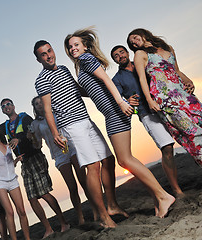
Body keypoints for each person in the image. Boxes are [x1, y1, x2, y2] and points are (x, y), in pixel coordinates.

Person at [64, 27, 175, 218]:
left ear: (85, 46)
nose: (73, 48)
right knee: (127, 159)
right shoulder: (83, 64)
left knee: (125, 159)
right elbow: (92, 90)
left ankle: (163, 196)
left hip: (115, 111)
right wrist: (73, 86)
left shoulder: (86, 59)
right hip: (111, 112)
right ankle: (158, 200)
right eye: (70, 46)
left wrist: (120, 102)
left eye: (76, 45)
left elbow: (107, 80)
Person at [34, 40, 128, 228]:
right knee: (92, 166)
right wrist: (55, 133)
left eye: (49, 51)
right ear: (39, 59)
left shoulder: (64, 70)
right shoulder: (41, 80)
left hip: (86, 120)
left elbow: (78, 90)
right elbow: (47, 109)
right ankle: (103, 216)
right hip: (70, 126)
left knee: (108, 160)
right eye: (43, 54)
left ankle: (111, 205)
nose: (49, 56)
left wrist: (99, 90)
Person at [0, 99, 69, 238]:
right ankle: (48, 228)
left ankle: (63, 223)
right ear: (2, 110)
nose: (6, 107)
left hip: (35, 157)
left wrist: (18, 139)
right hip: (25, 162)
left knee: (44, 193)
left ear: (13, 106)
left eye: (8, 104)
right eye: (3, 106)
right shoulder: (6, 126)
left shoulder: (24, 117)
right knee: (32, 198)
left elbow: (31, 130)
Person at [110, 45, 184, 197]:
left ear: (127, 52)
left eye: (121, 52)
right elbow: (118, 100)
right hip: (146, 114)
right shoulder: (117, 79)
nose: (120, 56)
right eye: (116, 56)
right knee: (167, 147)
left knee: (188, 139)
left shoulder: (143, 64)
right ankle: (177, 190)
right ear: (114, 60)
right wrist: (127, 100)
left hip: (166, 106)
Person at [127, 28, 202, 167]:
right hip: (166, 99)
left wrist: (189, 82)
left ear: (144, 34)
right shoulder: (140, 54)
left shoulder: (168, 48)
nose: (135, 43)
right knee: (192, 133)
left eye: (135, 38)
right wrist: (150, 100)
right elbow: (142, 79)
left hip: (185, 95)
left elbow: (177, 70)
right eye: (132, 43)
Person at [29, 96, 98, 225]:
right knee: (72, 186)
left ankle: (95, 210)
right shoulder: (35, 124)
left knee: (83, 180)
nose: (39, 105)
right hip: (59, 154)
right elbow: (38, 145)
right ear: (34, 108)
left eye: (40, 102)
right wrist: (32, 138)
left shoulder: (55, 112)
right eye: (36, 104)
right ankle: (80, 216)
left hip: (70, 147)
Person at [0, 124, 30, 240]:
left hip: (13, 180)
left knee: (22, 211)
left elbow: (10, 164)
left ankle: (28, 238)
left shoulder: (8, 146)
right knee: (9, 212)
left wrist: (16, 160)